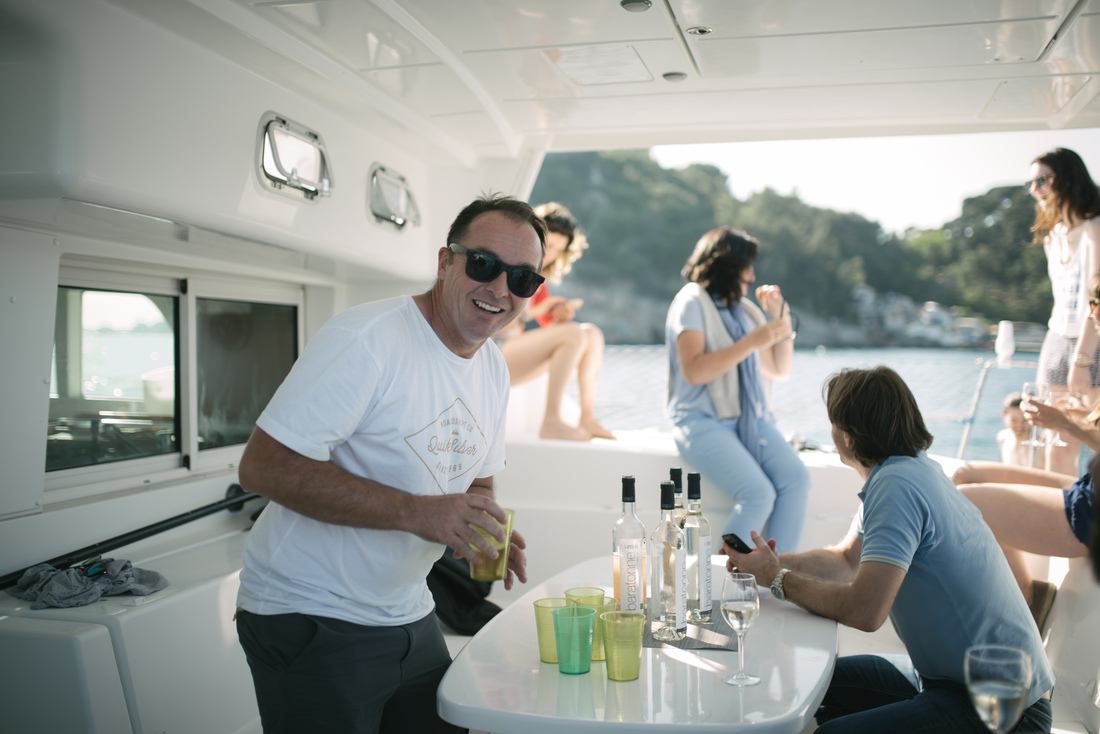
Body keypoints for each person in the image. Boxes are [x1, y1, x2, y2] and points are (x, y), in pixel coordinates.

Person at [233, 194, 543, 734]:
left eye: (522, 279)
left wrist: (478, 526)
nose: (499, 289)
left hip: (406, 608)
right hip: (308, 612)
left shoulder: (492, 367)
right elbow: (264, 468)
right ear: (446, 261)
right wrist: (421, 514)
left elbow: (479, 479)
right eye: (485, 265)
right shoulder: (369, 339)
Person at [725, 366, 1054, 733]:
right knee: (810, 681)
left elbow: (866, 611)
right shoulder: (909, 472)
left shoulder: (897, 486)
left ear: (847, 437)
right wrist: (768, 565)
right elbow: (846, 561)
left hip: (1004, 709)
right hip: (952, 683)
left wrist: (778, 580)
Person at [953, 276, 1100, 627]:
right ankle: (1026, 591)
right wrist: (1076, 415)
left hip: (1092, 513)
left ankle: (1019, 602)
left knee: (965, 502)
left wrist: (1066, 425)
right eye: (1092, 307)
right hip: (1089, 487)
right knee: (965, 474)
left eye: (1096, 307)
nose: (1092, 316)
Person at [666, 226, 808, 552]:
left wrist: (779, 318)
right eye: (748, 265)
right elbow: (695, 371)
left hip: (748, 420)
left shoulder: (744, 311)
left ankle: (776, 580)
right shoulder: (691, 301)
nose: (752, 274)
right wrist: (752, 342)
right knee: (758, 494)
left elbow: (778, 368)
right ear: (730, 265)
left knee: (797, 480)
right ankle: (720, 582)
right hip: (700, 422)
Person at [499, 202, 612, 441]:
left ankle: (588, 418)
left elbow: (555, 337)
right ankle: (551, 420)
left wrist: (558, 316)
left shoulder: (539, 282)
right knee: (574, 334)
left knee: (591, 334)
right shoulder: (509, 268)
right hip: (491, 354)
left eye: (558, 250)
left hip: (513, 353)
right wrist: (537, 310)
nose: (550, 254)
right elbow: (495, 323)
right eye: (548, 245)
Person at [1029, 147, 1100, 475]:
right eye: (1032, 183)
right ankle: (1061, 522)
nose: (1035, 190)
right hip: (1057, 337)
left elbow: (1096, 298)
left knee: (1092, 432)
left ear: (1068, 180)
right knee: (1055, 446)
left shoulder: (1095, 228)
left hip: (1093, 340)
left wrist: (1083, 360)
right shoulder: (1052, 237)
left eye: (1042, 181)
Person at [996, 392, 1030, 466]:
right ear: (1004, 416)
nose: (1019, 426)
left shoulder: (1041, 445)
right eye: (1014, 420)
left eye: (1025, 420)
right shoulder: (1002, 438)